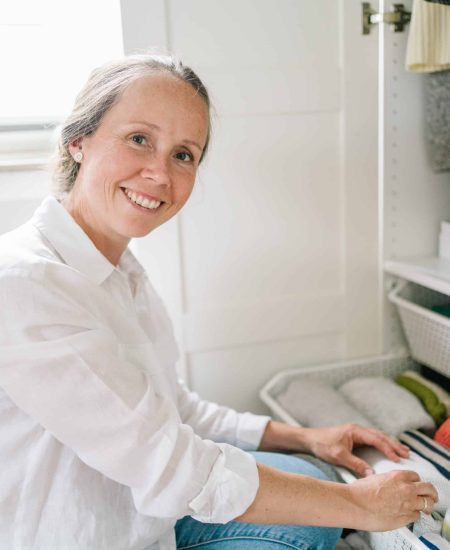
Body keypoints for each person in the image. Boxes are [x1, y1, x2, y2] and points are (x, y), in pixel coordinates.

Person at [0, 54, 438, 550]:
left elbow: (174, 408)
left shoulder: (120, 272)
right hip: (86, 533)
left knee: (307, 482)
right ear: (78, 140)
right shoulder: (27, 283)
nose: (160, 174)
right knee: (318, 511)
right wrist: (361, 506)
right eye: (139, 139)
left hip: (139, 510)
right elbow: (169, 463)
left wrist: (306, 437)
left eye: (183, 154)